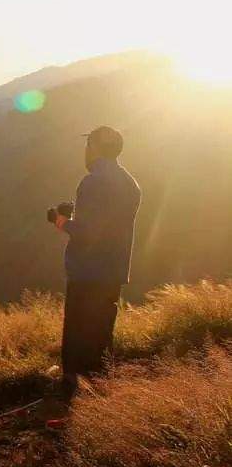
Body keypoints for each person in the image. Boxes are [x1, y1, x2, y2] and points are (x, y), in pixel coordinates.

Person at [51, 126, 141, 395]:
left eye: (88, 145)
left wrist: (60, 221)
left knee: (78, 329)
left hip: (87, 270)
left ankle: (71, 388)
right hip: (114, 269)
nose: (85, 152)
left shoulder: (92, 182)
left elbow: (87, 231)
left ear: (95, 147)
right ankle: (100, 388)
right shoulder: (130, 183)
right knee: (102, 330)